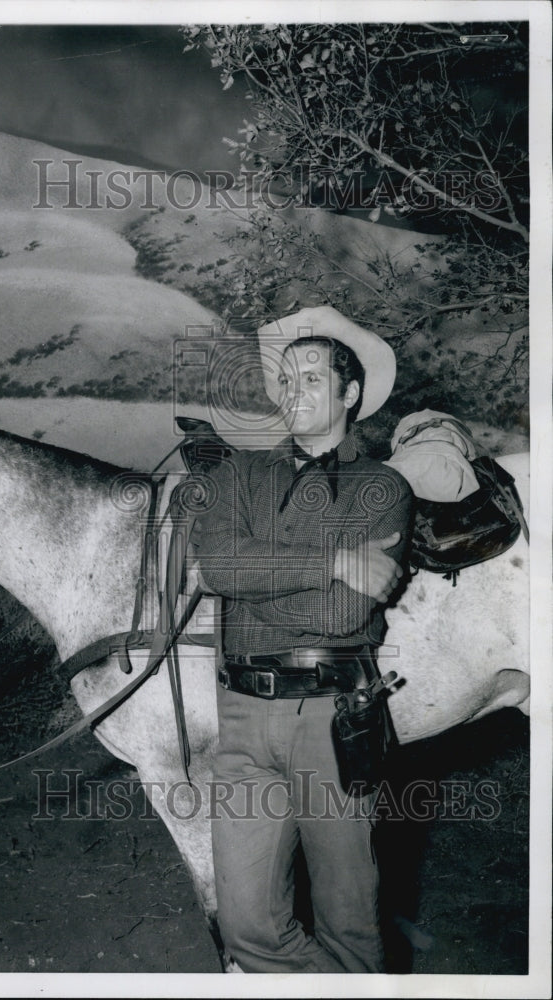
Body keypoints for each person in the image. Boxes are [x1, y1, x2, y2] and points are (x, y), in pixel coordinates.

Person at [192, 305, 414, 973]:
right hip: (239, 719)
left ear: (349, 394)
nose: (291, 393)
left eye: (310, 379)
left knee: (349, 919)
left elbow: (343, 617)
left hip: (332, 719)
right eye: (283, 381)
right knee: (247, 925)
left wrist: (258, 577)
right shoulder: (239, 475)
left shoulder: (382, 486)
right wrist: (333, 560)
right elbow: (216, 566)